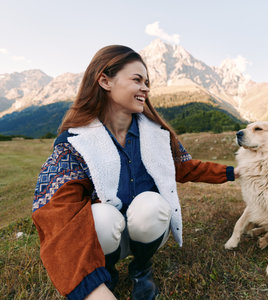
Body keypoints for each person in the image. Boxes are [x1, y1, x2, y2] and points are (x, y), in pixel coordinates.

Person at [32, 45, 237, 300]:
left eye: (147, 82)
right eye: (137, 80)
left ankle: (142, 269)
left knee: (151, 205)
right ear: (105, 81)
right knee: (101, 217)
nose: (146, 88)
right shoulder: (75, 142)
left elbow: (184, 167)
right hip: (107, 234)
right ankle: (105, 273)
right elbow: (56, 210)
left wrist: (232, 172)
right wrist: (91, 291)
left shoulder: (158, 135)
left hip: (147, 227)